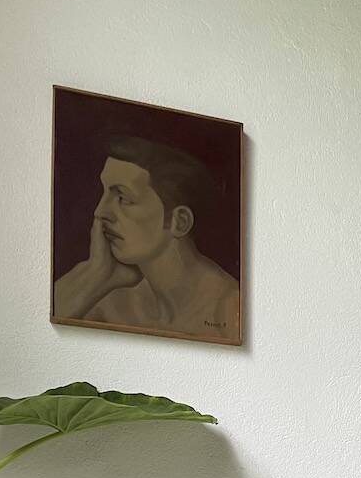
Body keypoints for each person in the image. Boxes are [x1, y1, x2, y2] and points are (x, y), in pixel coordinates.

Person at [53, 136, 239, 339]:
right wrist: (95, 273)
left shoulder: (229, 311)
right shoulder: (110, 301)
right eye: (104, 193)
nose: (100, 211)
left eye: (123, 198)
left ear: (180, 221)